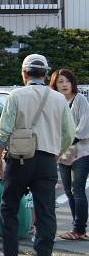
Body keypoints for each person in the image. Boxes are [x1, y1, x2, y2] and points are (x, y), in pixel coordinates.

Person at [0, 54, 76, 256]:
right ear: (46, 74)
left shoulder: (16, 95)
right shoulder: (58, 98)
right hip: (47, 159)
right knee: (46, 209)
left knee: (9, 205)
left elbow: (5, 129)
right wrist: (58, 152)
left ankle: (10, 254)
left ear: (24, 73)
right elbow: (69, 132)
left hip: (19, 159)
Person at [50, 68, 89, 240]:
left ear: (72, 82)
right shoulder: (55, 102)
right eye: (60, 82)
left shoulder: (80, 99)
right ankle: (77, 229)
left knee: (77, 189)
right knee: (69, 191)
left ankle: (79, 229)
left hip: (81, 151)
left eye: (67, 81)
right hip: (63, 153)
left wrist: (64, 143)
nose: (64, 85)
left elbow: (84, 127)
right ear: (55, 85)